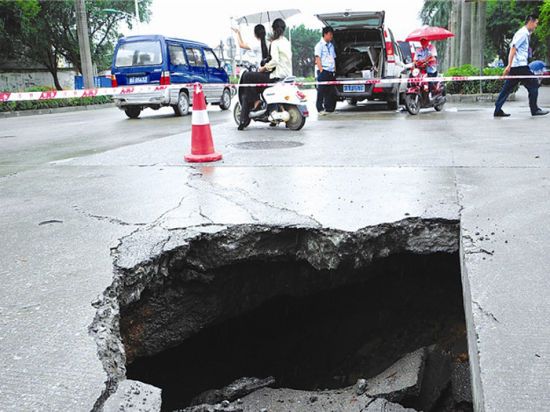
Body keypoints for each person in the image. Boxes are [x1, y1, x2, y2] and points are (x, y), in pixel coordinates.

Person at [238, 18, 292, 130]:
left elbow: (275, 61)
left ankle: (256, 101)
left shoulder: (274, 43)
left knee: (247, 76)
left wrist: (263, 68)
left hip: (275, 75)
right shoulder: (286, 42)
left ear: (273, 29)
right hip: (286, 74)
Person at [494, 15, 548, 117]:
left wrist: (510, 66)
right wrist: (509, 65)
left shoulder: (523, 33)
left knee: (506, 89)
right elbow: (513, 48)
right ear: (531, 22)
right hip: (520, 66)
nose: (536, 26)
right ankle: (534, 109)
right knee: (534, 84)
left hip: (517, 67)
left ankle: (497, 109)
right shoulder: (522, 33)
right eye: (536, 23)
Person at [315, 26, 337, 115]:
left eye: (332, 35)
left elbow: (333, 58)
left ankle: (329, 108)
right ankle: (319, 108)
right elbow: (318, 58)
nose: (331, 36)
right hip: (324, 70)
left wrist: (334, 69)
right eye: (330, 34)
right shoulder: (319, 45)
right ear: (325, 34)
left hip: (331, 71)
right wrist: (321, 70)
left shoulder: (331, 45)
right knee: (321, 91)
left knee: (330, 91)